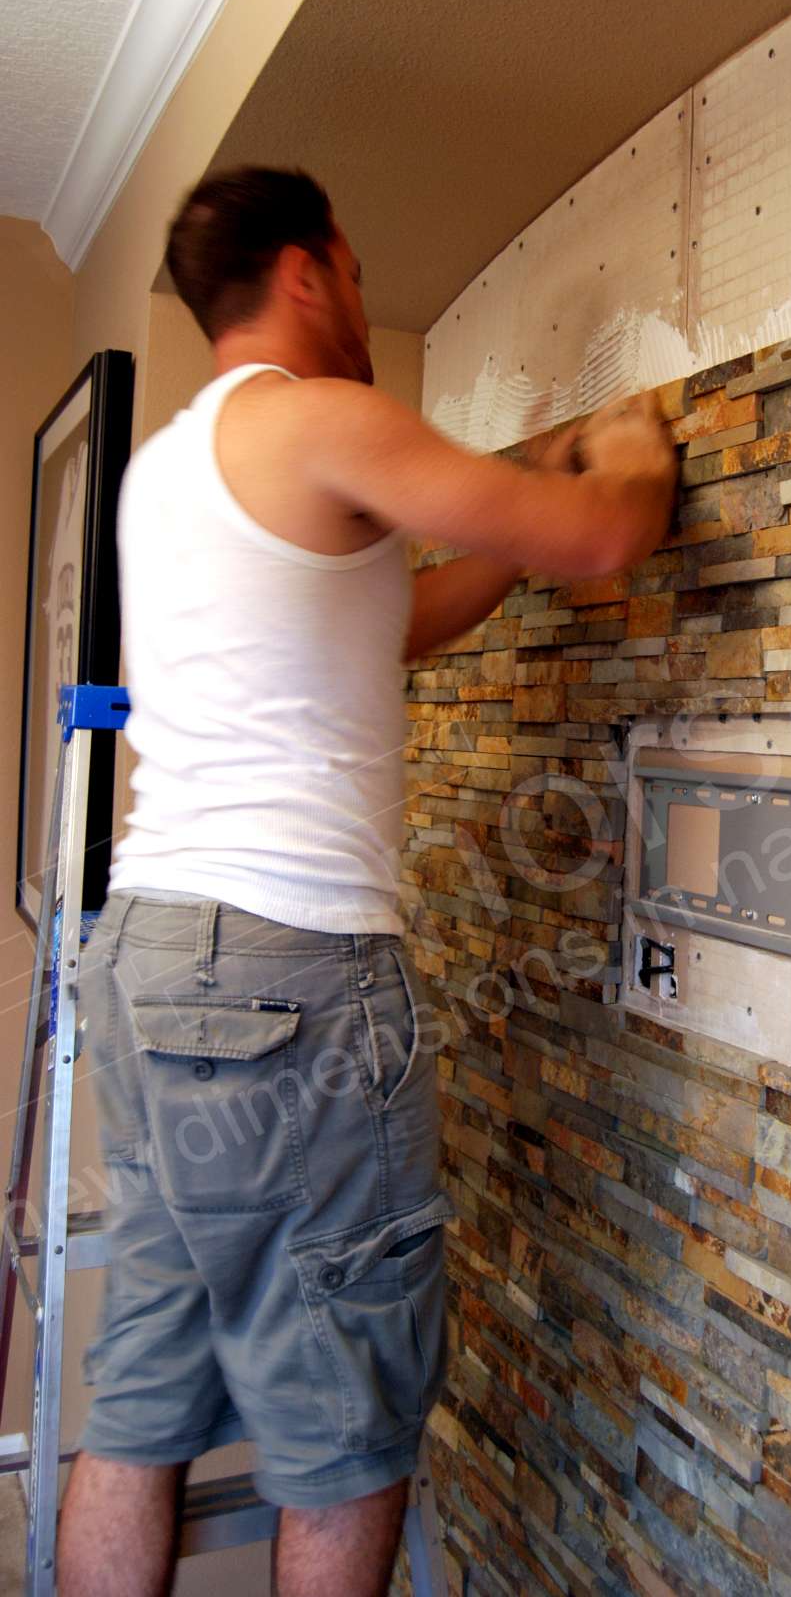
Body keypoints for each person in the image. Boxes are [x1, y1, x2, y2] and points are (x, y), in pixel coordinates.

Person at [58, 165, 677, 1597]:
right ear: (312, 267)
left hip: (154, 959)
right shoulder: (325, 418)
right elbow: (603, 536)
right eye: (352, 266)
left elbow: (383, 623)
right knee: (347, 1424)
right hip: (288, 976)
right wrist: (626, 456)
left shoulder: (172, 470)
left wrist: (512, 549)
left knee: (142, 1398)